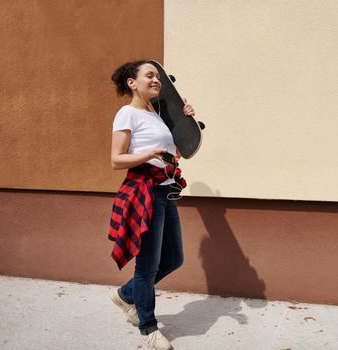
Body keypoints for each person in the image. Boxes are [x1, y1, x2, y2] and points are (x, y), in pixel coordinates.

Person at [107, 59, 194, 350]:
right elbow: (116, 160)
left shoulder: (156, 114)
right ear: (132, 82)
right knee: (147, 267)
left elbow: (174, 153)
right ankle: (148, 329)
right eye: (150, 76)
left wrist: (186, 122)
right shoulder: (127, 114)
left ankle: (125, 295)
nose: (156, 80)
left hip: (166, 191)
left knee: (174, 259)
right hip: (145, 193)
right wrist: (149, 154)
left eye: (158, 76)